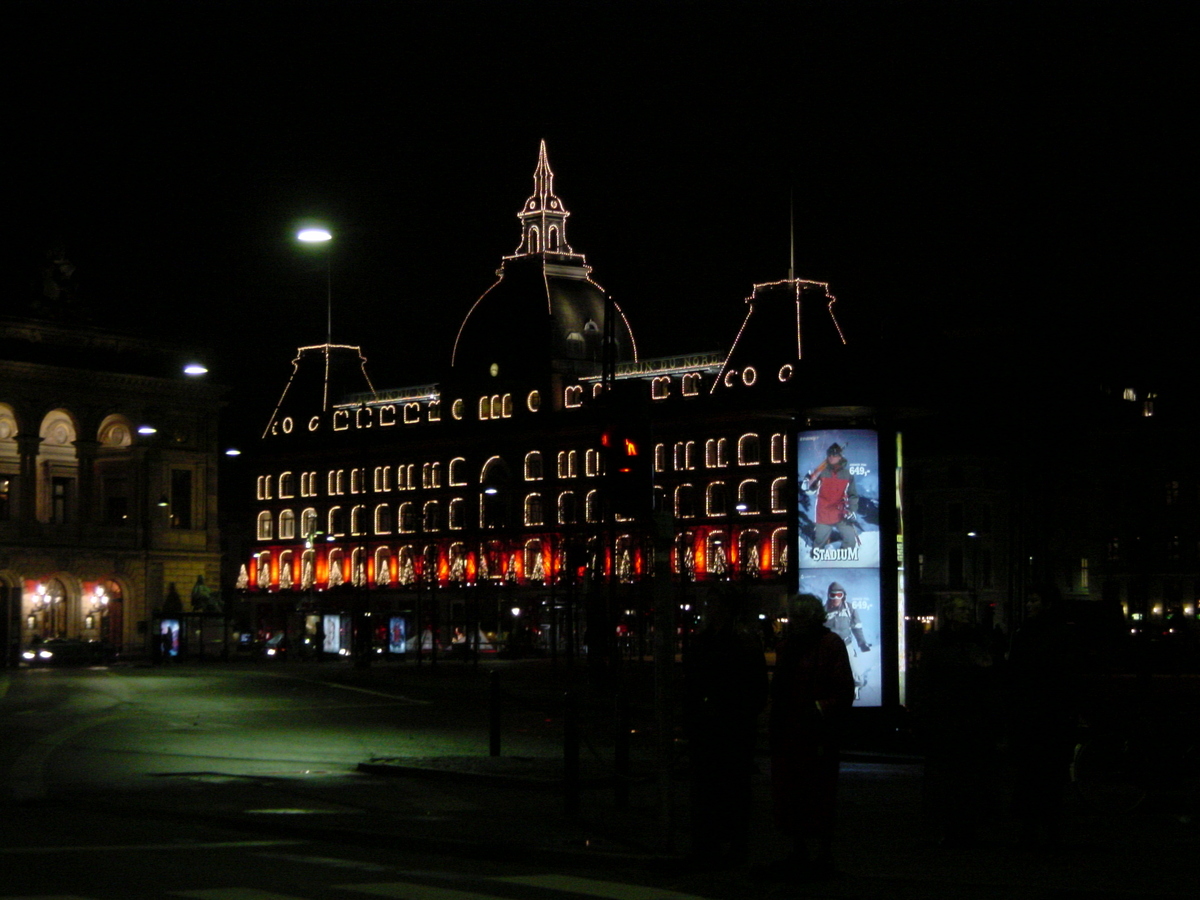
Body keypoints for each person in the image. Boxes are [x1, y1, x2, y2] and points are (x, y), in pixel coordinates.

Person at [768, 593, 856, 877]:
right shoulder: (792, 646)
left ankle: (819, 851)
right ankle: (802, 847)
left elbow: (842, 689)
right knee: (796, 792)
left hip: (815, 731)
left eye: (799, 616)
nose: (795, 622)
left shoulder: (827, 644)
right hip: (795, 728)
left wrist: (817, 709)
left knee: (817, 792)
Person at [683, 592, 769, 867]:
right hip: (719, 724)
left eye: (715, 605)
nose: (710, 610)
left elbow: (754, 689)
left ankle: (726, 843)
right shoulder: (720, 640)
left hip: (728, 724)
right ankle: (716, 842)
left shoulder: (733, 641)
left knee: (727, 787)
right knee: (715, 787)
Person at [912, 596, 999, 847]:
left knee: (966, 777)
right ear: (950, 614)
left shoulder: (976, 640)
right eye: (962, 609)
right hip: (949, 718)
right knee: (951, 778)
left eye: (968, 610)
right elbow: (926, 681)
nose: (967, 613)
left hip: (968, 718)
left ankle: (964, 826)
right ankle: (953, 826)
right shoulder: (942, 642)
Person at [1007, 585, 1077, 851]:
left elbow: (1016, 673)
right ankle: (1049, 829)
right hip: (1051, 715)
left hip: (1035, 714)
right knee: (1050, 777)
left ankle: (1031, 829)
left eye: (1033, 599)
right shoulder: (1061, 633)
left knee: (1031, 775)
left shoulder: (1026, 633)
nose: (1029, 604)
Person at [804, 443, 860, 554]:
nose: (831, 457)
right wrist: (807, 484)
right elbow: (810, 491)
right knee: (818, 545)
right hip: (823, 513)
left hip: (840, 512)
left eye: (834, 455)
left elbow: (852, 495)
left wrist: (852, 510)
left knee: (850, 540)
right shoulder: (821, 472)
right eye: (829, 454)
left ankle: (844, 561)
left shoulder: (847, 474)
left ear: (840, 457)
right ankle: (816, 564)